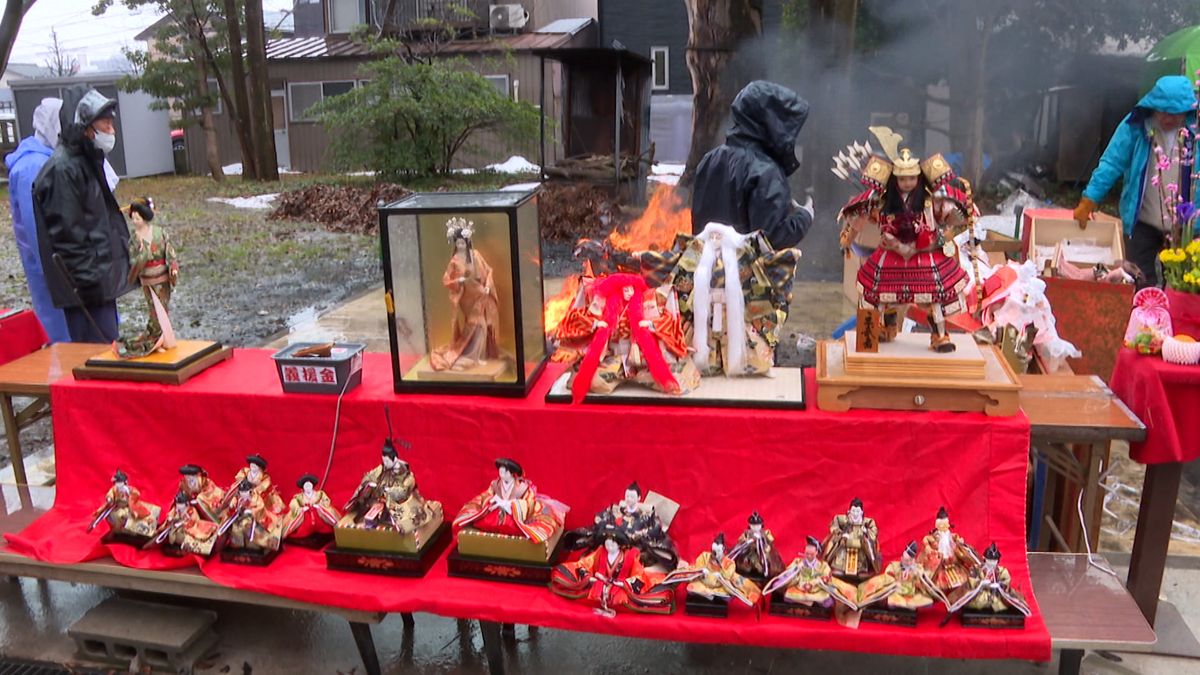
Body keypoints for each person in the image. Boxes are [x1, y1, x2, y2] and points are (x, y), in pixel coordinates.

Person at [1075, 75, 1197, 289]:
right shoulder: (1136, 125)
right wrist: (1090, 198)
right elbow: (1112, 162)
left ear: (1186, 111)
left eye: (1174, 114)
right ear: (1153, 106)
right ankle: (1140, 321)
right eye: (1163, 112)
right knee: (1137, 280)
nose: (1168, 119)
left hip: (1187, 226)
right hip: (1143, 222)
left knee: (1183, 286)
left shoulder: (1195, 132)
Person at [33, 87, 134, 342]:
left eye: (112, 123)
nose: (111, 131)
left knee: (107, 355)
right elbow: (68, 236)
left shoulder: (86, 160)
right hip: (85, 291)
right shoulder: (63, 169)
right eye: (105, 124)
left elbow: (97, 219)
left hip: (99, 285)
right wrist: (89, 286)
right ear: (87, 127)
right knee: (95, 360)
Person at [691, 81, 815, 250]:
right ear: (772, 122)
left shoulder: (709, 160)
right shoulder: (766, 171)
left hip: (705, 267)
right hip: (744, 273)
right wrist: (804, 216)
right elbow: (770, 238)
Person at [6, 98, 70, 342]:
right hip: (52, 274)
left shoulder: (44, 159)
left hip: (59, 269)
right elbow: (38, 231)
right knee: (63, 339)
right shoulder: (32, 167)